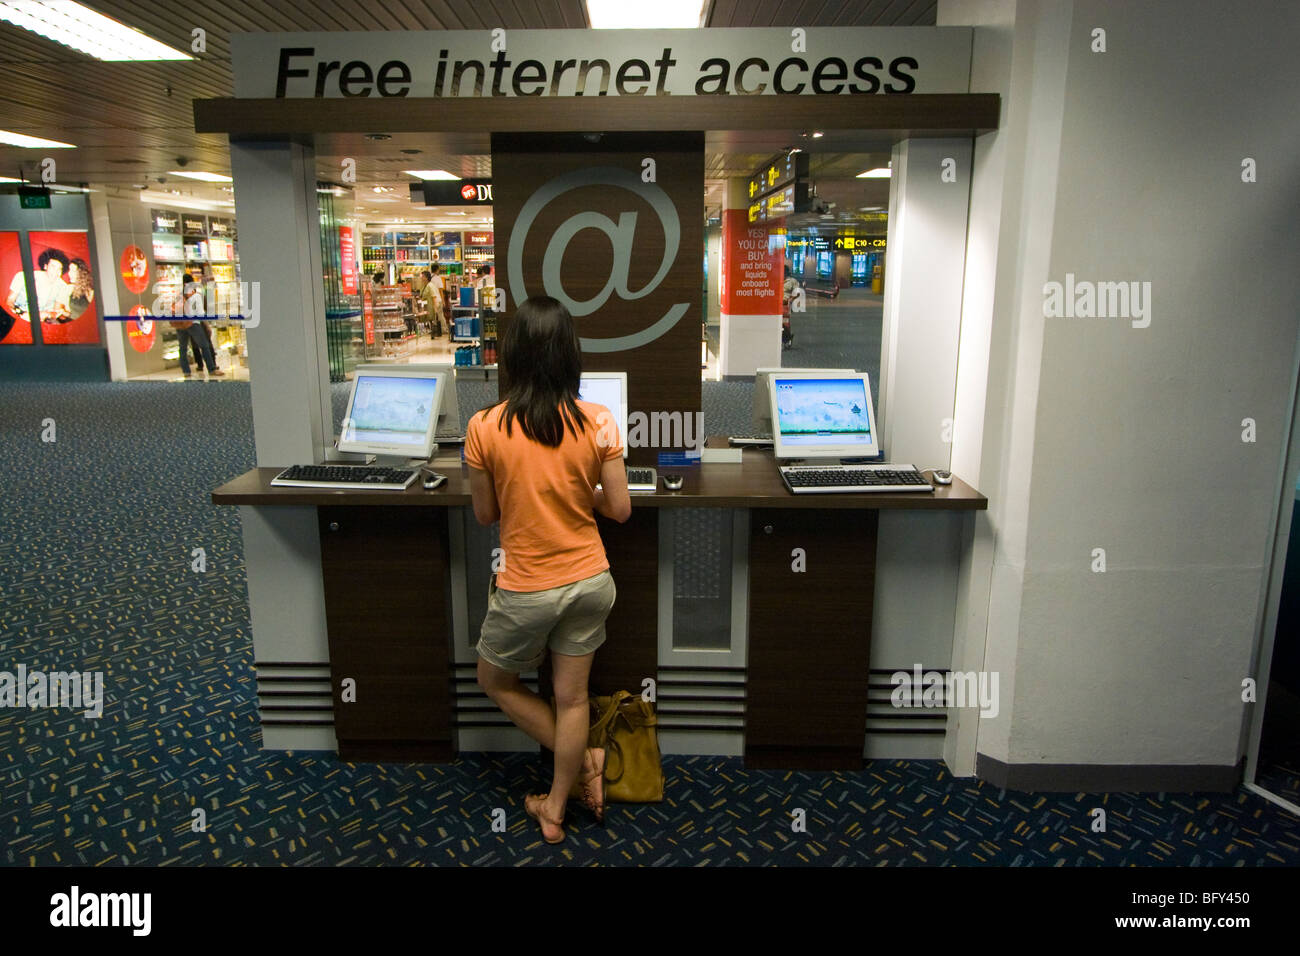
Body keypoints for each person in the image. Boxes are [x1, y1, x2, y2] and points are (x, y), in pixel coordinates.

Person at [466, 295, 631, 844]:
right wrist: (578, 493)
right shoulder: (599, 420)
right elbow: (620, 508)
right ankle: (557, 806)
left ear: (513, 355)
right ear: (570, 356)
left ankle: (578, 768)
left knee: (494, 679)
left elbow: (487, 514)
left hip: (528, 589)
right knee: (573, 698)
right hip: (591, 581)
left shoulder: (484, 428)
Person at [171, 273, 224, 377]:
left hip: (180, 324)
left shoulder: (179, 295)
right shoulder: (195, 295)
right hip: (193, 323)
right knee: (204, 346)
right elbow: (200, 313)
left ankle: (186, 371)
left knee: (182, 348)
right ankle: (211, 369)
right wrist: (206, 325)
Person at [419, 269, 443, 336]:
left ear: (426, 278)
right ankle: (432, 332)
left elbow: (434, 297)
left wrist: (435, 308)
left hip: (434, 305)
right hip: (429, 306)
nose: (421, 278)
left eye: (423, 276)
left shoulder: (430, 285)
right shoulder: (424, 286)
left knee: (435, 319)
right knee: (431, 319)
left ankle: (437, 332)